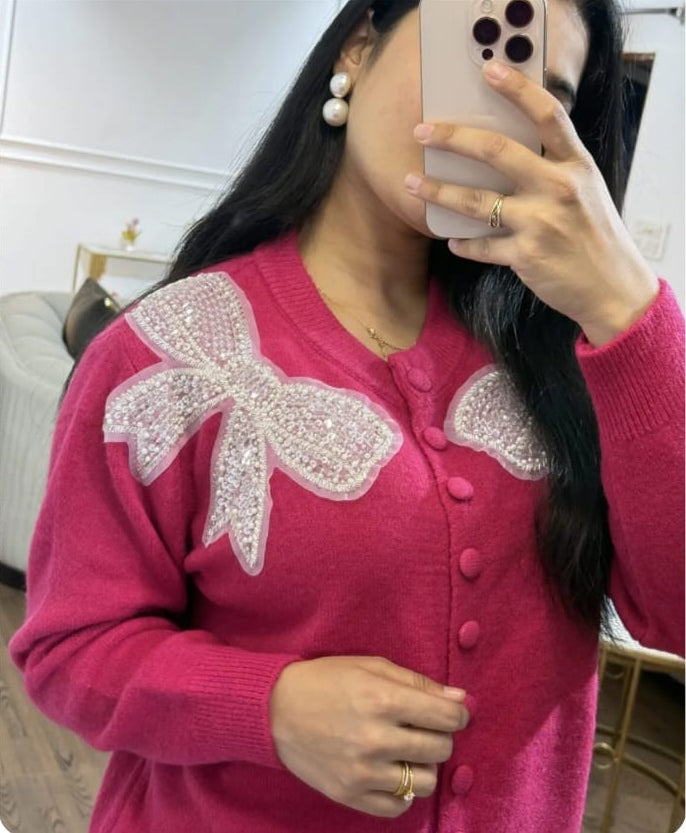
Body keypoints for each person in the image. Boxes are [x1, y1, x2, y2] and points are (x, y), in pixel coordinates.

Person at [9, 0, 684, 830]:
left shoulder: (576, 354)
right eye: (474, 55)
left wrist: (627, 307)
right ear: (359, 49)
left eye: (544, 96)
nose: (495, 115)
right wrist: (271, 705)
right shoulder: (168, 355)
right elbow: (66, 651)